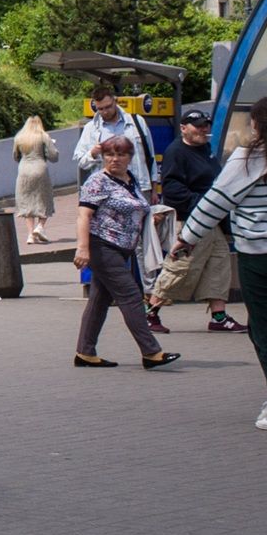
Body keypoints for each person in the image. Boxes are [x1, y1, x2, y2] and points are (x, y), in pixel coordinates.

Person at [171, 95, 267, 434]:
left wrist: (186, 238)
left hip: (261, 257)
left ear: (254, 124)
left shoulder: (247, 158)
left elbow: (215, 201)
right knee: (264, 328)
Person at [69, 135, 179, 370]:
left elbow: (136, 208)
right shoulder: (97, 182)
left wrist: (153, 217)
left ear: (130, 157)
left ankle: (85, 352)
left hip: (123, 249)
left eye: (121, 155)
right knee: (130, 295)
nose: (114, 159)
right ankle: (151, 352)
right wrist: (83, 248)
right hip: (102, 246)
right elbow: (84, 216)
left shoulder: (132, 180)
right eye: (109, 154)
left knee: (99, 301)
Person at [147, 109, 242, 334]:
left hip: (212, 220)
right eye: (197, 125)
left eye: (206, 125)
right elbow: (172, 190)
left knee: (219, 265)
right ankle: (150, 312)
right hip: (192, 219)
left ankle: (218, 317)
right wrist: (203, 203)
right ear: (183, 128)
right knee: (182, 265)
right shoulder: (176, 152)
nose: (203, 129)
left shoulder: (205, 150)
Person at [74, 88, 156, 193]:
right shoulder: (91, 128)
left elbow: (150, 155)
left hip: (139, 187)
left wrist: (154, 188)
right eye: (100, 109)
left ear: (115, 101)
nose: (105, 112)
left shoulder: (137, 121)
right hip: (107, 191)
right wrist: (92, 153)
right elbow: (81, 162)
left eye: (108, 106)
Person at [11, 114, 61, 247]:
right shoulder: (43, 136)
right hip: (40, 168)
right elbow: (54, 156)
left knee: (27, 201)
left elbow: (15, 156)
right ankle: (40, 227)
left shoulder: (19, 137)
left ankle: (30, 235)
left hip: (24, 170)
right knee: (44, 198)